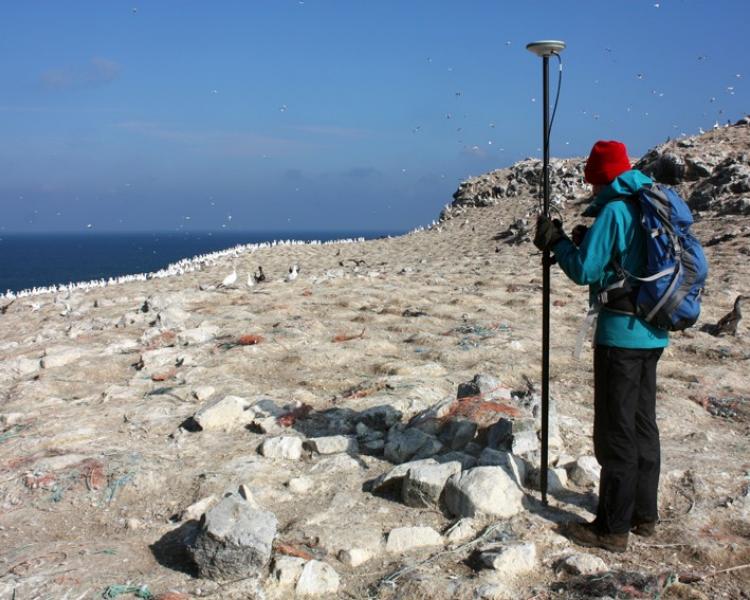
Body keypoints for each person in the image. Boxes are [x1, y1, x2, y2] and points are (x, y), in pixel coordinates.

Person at [534, 140, 669, 552]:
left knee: (616, 431)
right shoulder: (648, 203)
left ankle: (611, 528)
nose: (590, 189)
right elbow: (620, 261)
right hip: (653, 331)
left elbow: (584, 270)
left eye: (592, 181)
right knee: (643, 422)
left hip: (620, 336)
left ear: (602, 177)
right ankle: (644, 515)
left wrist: (556, 242)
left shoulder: (613, 210)